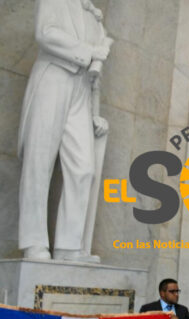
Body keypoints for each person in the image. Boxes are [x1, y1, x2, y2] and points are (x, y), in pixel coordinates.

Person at [18, 0, 112, 262]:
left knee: (84, 168)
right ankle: (34, 242)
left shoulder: (96, 19)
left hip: (82, 89)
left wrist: (94, 113)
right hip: (53, 77)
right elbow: (45, 33)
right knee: (39, 162)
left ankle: (69, 247)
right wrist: (89, 51)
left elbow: (95, 75)